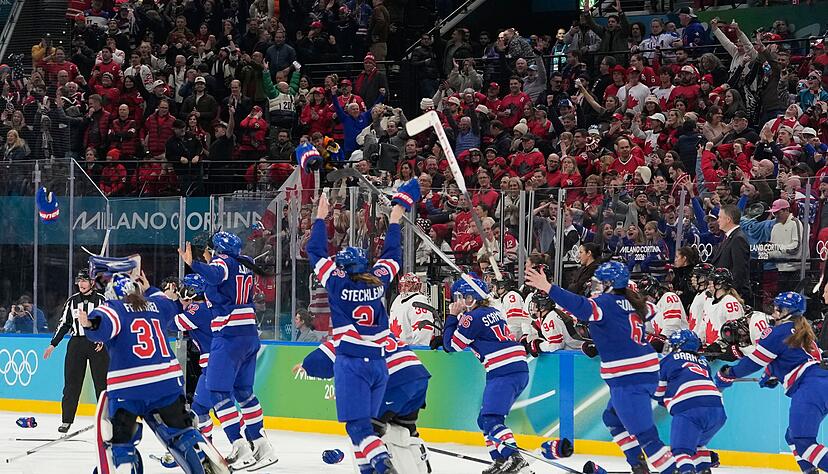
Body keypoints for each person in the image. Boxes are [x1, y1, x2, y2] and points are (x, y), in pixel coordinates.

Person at [306, 179, 417, 474]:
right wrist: (395, 220)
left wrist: (321, 217)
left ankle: (381, 462)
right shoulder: (377, 279)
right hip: (380, 363)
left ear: (341, 266)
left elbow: (315, 251)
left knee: (357, 428)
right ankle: (372, 466)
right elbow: (392, 254)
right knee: (365, 428)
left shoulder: (336, 281)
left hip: (351, 362)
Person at [525, 261, 677, 474]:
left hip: (628, 378)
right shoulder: (634, 302)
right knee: (612, 417)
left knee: (645, 434)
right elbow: (641, 317)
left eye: (599, 282)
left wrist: (548, 287)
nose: (595, 287)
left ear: (609, 284)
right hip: (644, 371)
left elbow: (578, 305)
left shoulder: (605, 304)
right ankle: (637, 464)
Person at [78, 273, 225, 473]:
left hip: (129, 387)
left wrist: (89, 324)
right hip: (168, 383)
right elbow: (170, 305)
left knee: (121, 440)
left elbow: (103, 325)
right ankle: (196, 450)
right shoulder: (154, 304)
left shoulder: (114, 308)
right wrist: (151, 289)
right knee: (180, 430)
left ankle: (124, 460)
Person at [178, 232, 277, 470]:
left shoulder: (222, 262)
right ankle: (261, 442)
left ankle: (239, 445)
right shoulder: (244, 264)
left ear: (217, 250)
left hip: (229, 337)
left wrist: (194, 264)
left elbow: (215, 273)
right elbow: (220, 284)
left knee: (218, 391)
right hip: (249, 335)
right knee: (244, 392)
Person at [716, 292, 828, 474]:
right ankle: (810, 471)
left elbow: (754, 361)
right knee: (792, 436)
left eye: (778, 308)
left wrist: (730, 373)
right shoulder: (804, 333)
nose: (774, 312)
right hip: (820, 382)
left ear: (787, 312)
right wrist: (772, 373)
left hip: (811, 388)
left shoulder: (778, 332)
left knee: (803, 442)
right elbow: (794, 359)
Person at [297, 333, 432, 473]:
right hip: (419, 377)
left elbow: (321, 359)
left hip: (393, 382)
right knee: (406, 431)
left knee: (361, 432)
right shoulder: (380, 330)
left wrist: (306, 366)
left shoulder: (347, 336)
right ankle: (421, 466)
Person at [443, 276, 530, 474]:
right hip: (514, 368)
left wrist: (451, 318)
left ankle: (513, 457)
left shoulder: (471, 318)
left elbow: (452, 346)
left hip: (503, 371)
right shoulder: (493, 311)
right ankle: (500, 461)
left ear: (471, 298)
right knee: (484, 419)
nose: (458, 302)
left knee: (491, 419)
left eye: (462, 297)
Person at [44, 269, 108, 433]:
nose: (81, 284)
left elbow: (107, 323)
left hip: (96, 344)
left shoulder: (101, 300)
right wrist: (53, 344)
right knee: (72, 383)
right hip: (77, 344)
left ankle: (106, 418)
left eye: (84, 280)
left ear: (92, 282)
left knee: (101, 383)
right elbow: (64, 323)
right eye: (79, 281)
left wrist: (103, 339)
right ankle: (66, 420)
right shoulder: (72, 301)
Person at [168, 273, 227, 442]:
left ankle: (244, 442)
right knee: (203, 408)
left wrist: (169, 302)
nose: (180, 292)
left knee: (215, 409)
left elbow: (172, 323)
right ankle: (206, 443)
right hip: (218, 364)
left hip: (214, 366)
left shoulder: (198, 310)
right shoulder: (208, 306)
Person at [657, 330, 726, 474]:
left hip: (690, 408)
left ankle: (687, 471)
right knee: (697, 445)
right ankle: (704, 470)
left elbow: (658, 392)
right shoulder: (704, 362)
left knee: (681, 451)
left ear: (678, 346)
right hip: (718, 410)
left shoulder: (668, 360)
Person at [710, 205, 751, 302]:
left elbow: (739, 271)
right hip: (724, 293)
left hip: (733, 296)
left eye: (720, 217)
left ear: (728, 219)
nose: (718, 220)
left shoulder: (738, 238)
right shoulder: (730, 237)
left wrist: (731, 294)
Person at [702, 268, 745, 347]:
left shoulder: (730, 303)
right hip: (710, 349)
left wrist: (719, 345)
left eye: (711, 283)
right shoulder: (709, 301)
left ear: (719, 285)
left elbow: (735, 334)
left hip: (724, 351)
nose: (708, 286)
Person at [388, 273, 435, 346]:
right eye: (402, 285)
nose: (403, 288)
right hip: (396, 348)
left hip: (410, 350)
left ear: (416, 286)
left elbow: (423, 329)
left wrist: (419, 348)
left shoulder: (419, 300)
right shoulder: (397, 299)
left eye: (407, 285)